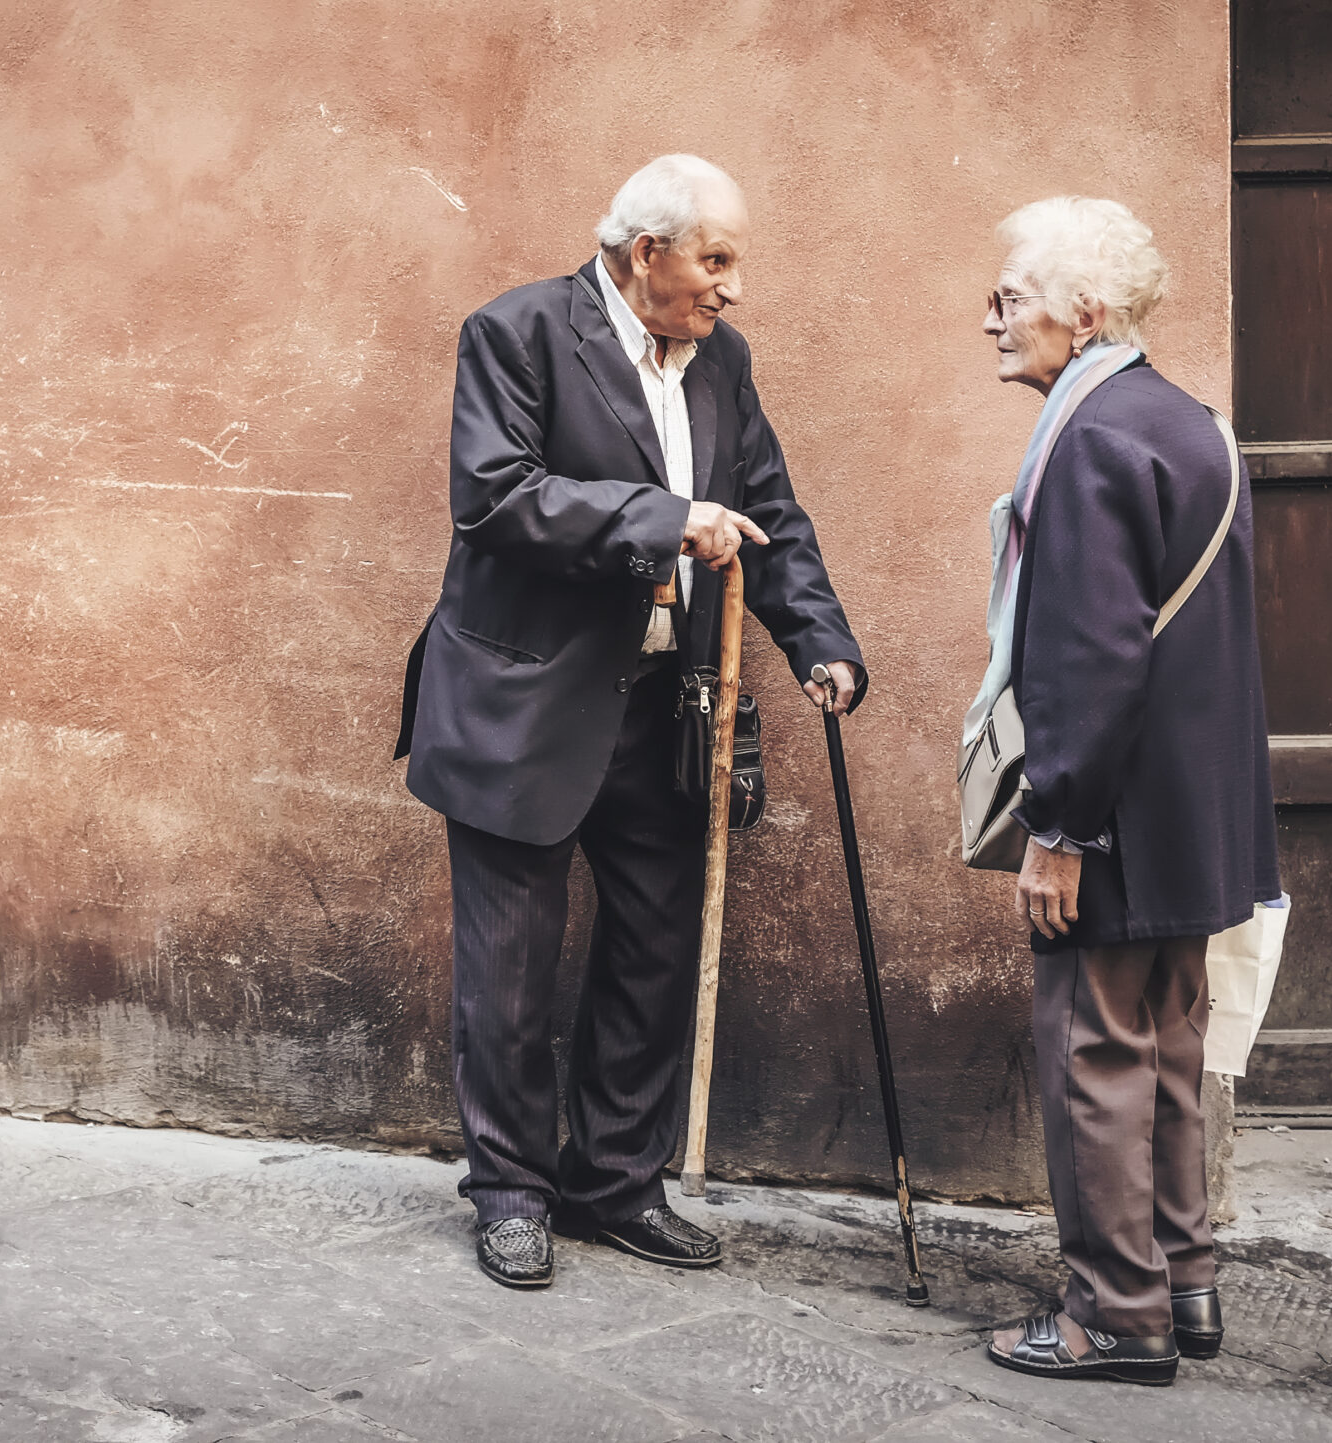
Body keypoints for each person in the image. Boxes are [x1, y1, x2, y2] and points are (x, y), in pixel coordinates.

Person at [393, 154, 867, 1289]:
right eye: (716, 259)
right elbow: (497, 496)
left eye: (733, 262)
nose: (732, 286)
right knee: (507, 974)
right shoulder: (515, 333)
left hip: (663, 708)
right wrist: (663, 519)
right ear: (643, 251)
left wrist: (821, 642)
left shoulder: (724, 362)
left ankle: (613, 1182)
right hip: (522, 705)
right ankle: (510, 1191)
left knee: (654, 955)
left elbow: (768, 511)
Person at [971, 197, 1280, 1385]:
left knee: (1095, 1054)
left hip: (1114, 820)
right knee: (1165, 1051)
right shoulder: (1191, 421)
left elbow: (1091, 656)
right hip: (1192, 818)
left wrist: (1059, 828)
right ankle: (1184, 1282)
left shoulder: (1089, 435)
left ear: (1083, 312)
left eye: (1011, 297)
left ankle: (1113, 1315)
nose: (990, 317)